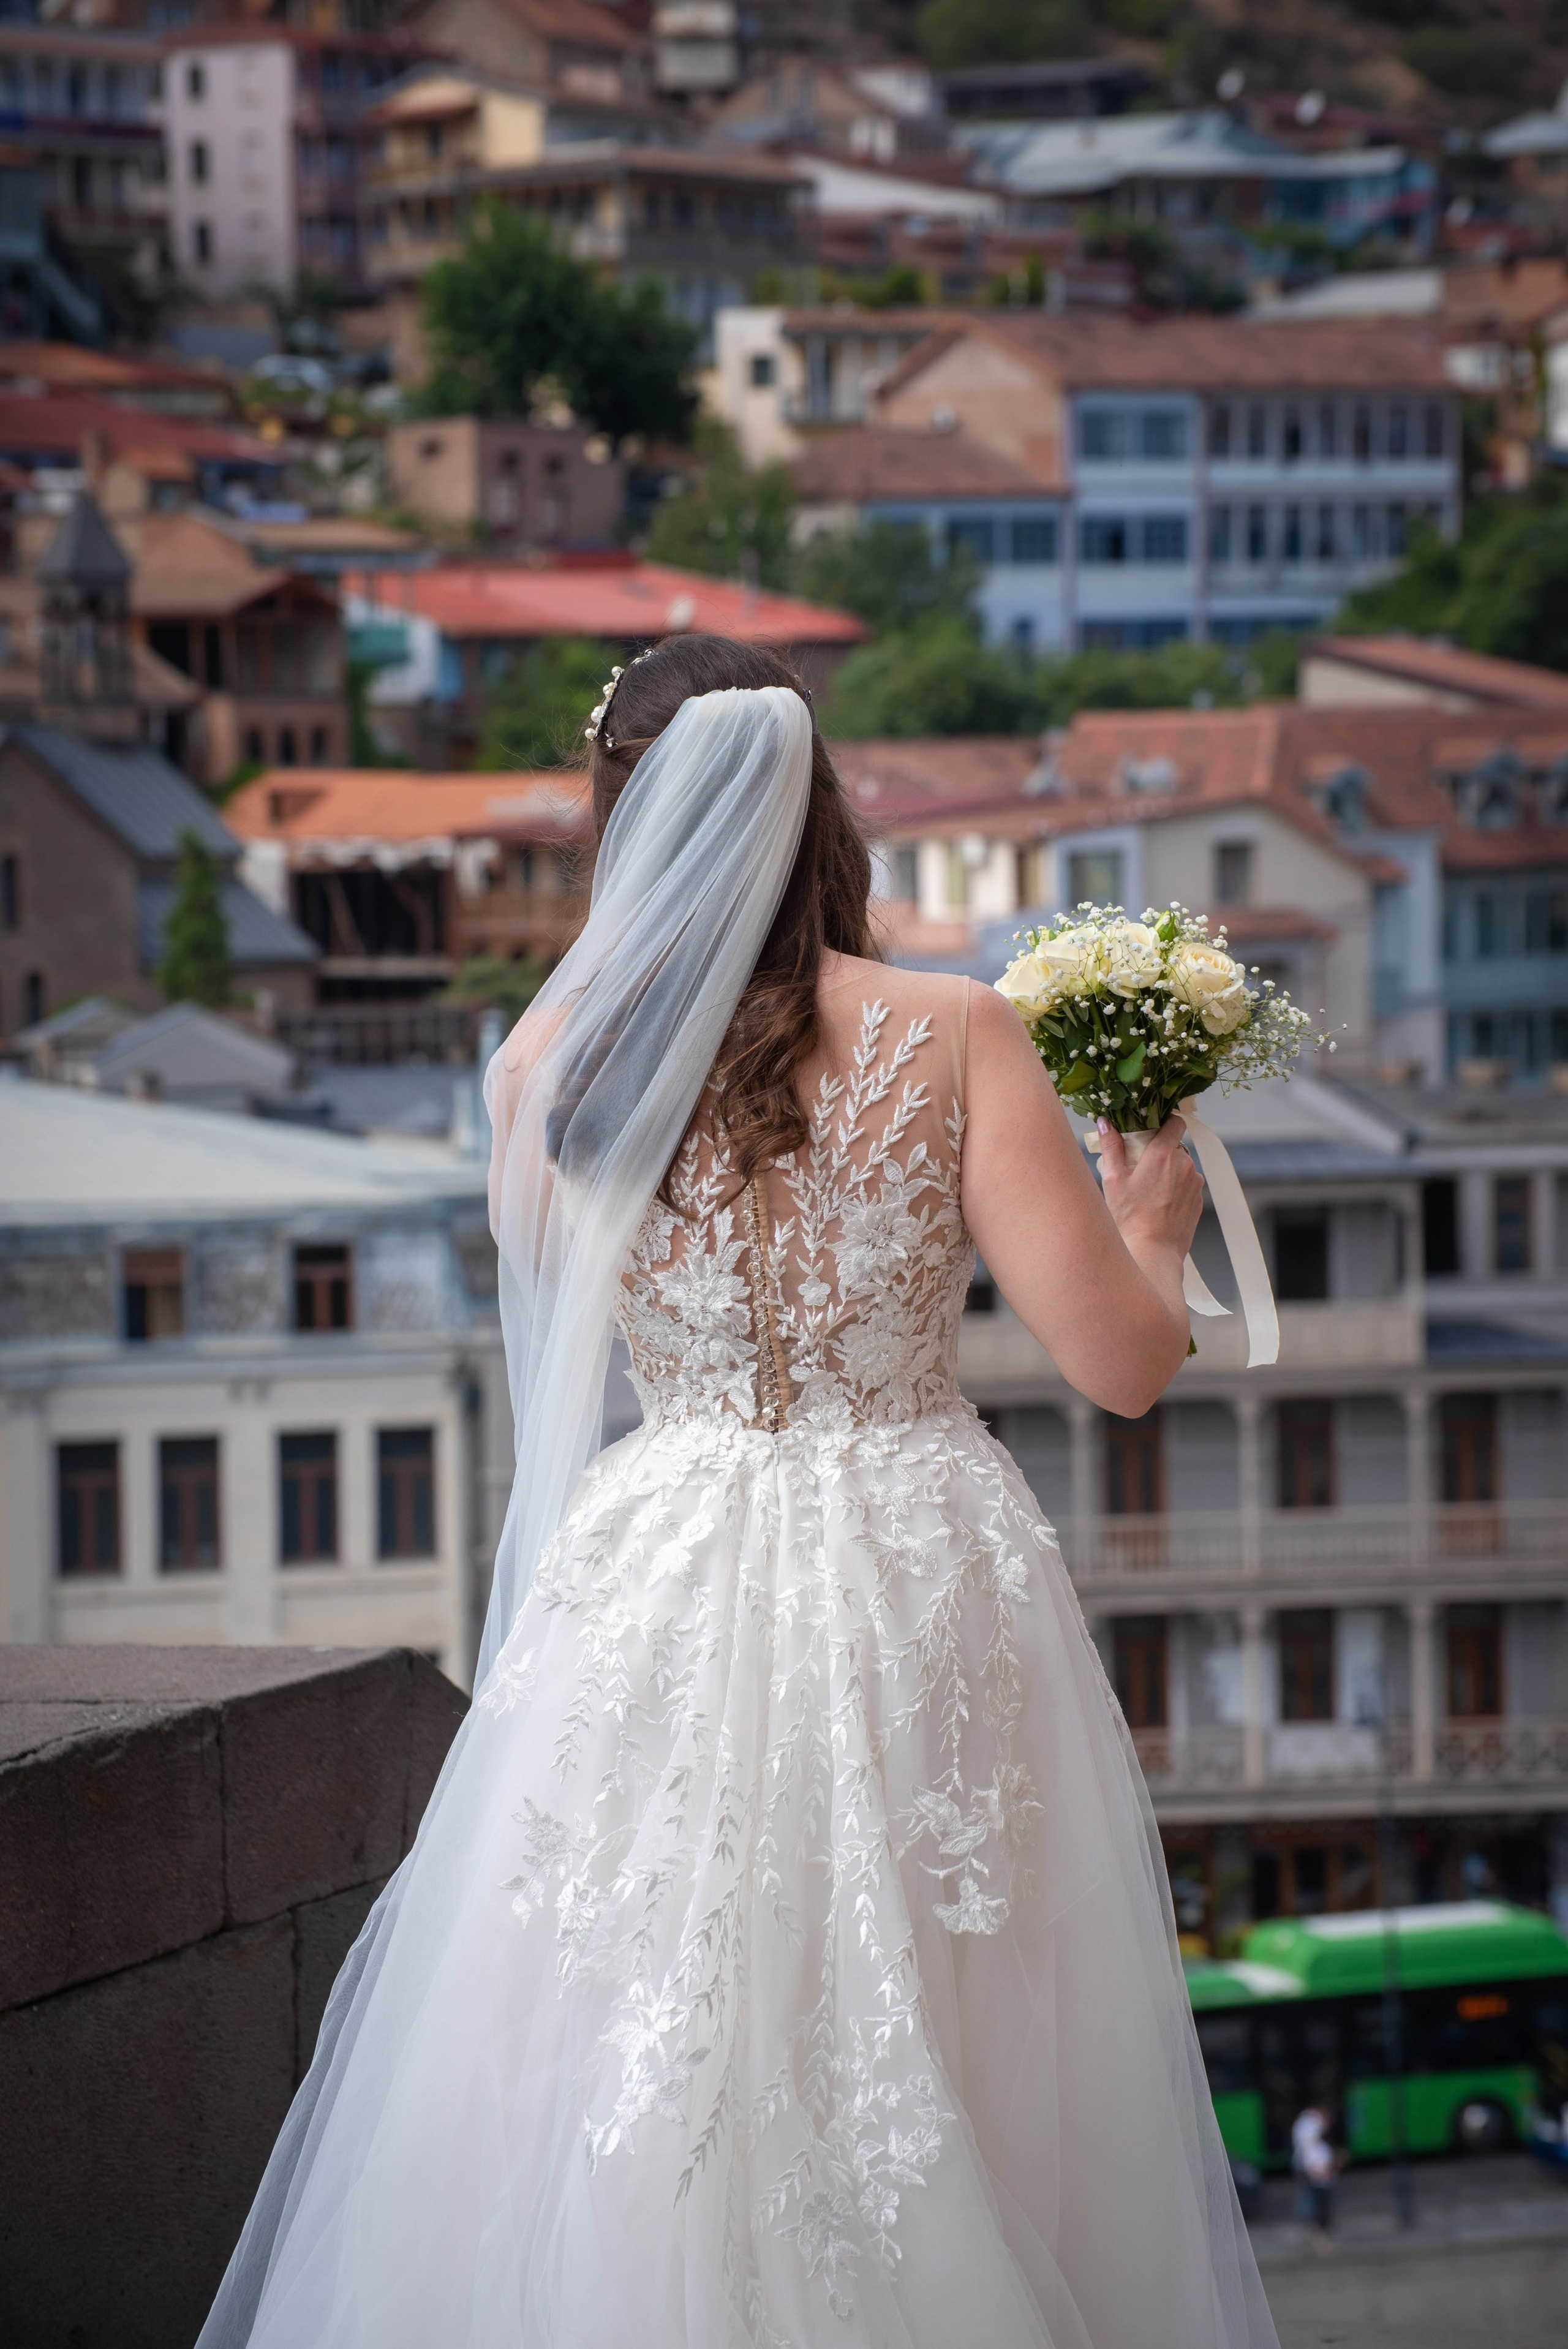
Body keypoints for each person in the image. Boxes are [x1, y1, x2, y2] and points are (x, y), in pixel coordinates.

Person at [198, 638, 1278, 2348]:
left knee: (627, 2001)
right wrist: (1149, 1218)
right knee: (947, 2016)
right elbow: (1123, 1363)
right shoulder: (951, 1032)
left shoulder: (546, 1068)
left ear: (623, 820)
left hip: (661, 1559)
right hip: (910, 1552)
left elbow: (563, 1315)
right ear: (815, 805)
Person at [1290, 2106, 1340, 2242]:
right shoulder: (1311, 2123)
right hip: (1311, 2168)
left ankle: (1312, 2226)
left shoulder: (1305, 2123)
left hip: (1310, 2167)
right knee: (1311, 2198)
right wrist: (1315, 2167)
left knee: (1310, 2196)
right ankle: (1311, 2226)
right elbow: (1308, 2146)